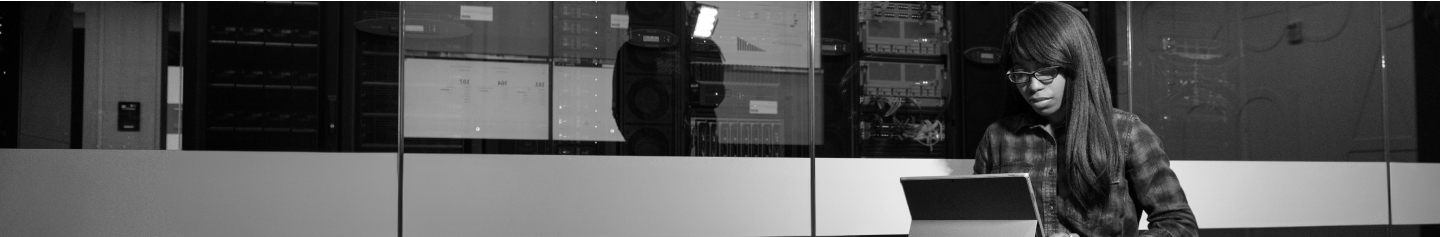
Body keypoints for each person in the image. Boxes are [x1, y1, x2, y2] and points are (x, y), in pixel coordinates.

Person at [971, 2, 1197, 237]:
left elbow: (1178, 226)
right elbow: (979, 224)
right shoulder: (998, 137)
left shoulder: (1126, 133)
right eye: (1021, 73)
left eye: (1045, 70)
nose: (1033, 86)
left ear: (1075, 63)